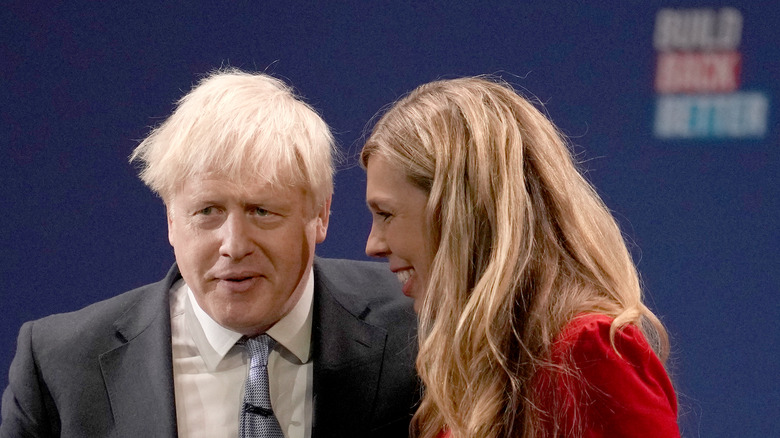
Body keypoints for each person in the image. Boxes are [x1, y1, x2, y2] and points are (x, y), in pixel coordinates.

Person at [1, 69, 418, 438]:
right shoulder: (61, 364)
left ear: (321, 215)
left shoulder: (419, 324)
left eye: (262, 211)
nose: (234, 245)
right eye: (207, 211)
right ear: (170, 220)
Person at [361, 77, 680, 438]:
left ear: (460, 214)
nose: (374, 244)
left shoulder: (586, 353)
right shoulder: (476, 369)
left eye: (385, 214)